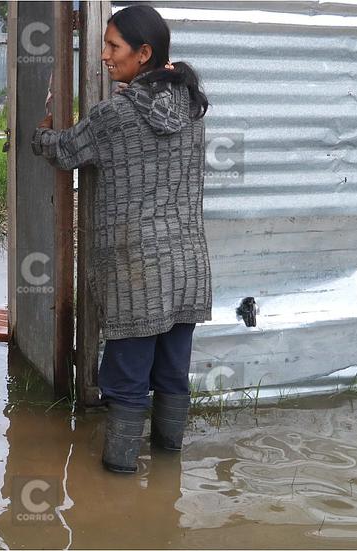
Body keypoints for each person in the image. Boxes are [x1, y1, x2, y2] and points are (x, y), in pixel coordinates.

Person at [31, 4, 212, 474]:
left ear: (144, 53)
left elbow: (65, 151)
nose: (104, 56)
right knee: (173, 377)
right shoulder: (193, 109)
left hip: (138, 274)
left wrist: (39, 132)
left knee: (128, 384)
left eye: (113, 47)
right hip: (189, 267)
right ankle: (168, 475)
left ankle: (118, 484)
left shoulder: (116, 115)